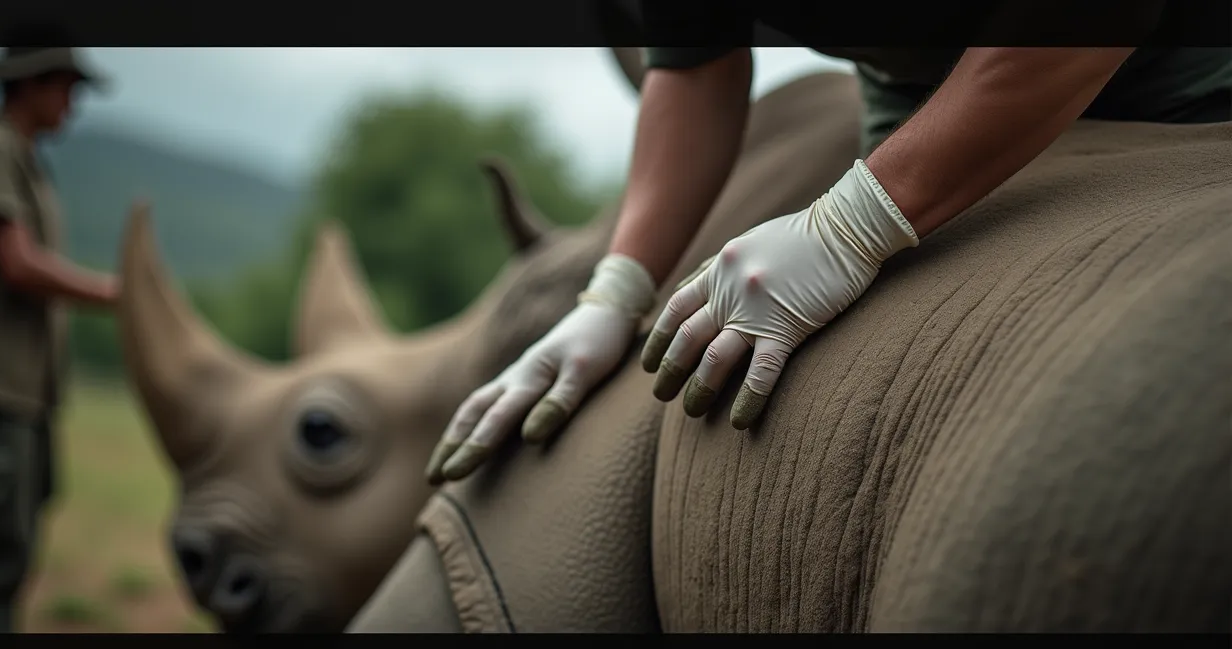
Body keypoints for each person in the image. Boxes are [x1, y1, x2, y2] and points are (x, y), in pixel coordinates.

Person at [425, 1, 1232, 484]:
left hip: (1189, 85)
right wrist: (616, 288)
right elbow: (697, 64)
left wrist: (851, 224)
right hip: (923, 111)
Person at [0, 46, 120, 632]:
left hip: (21, 390)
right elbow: (17, 262)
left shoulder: (25, 159)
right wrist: (113, 293)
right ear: (30, 85)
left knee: (10, 550)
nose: (72, 105)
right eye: (65, 88)